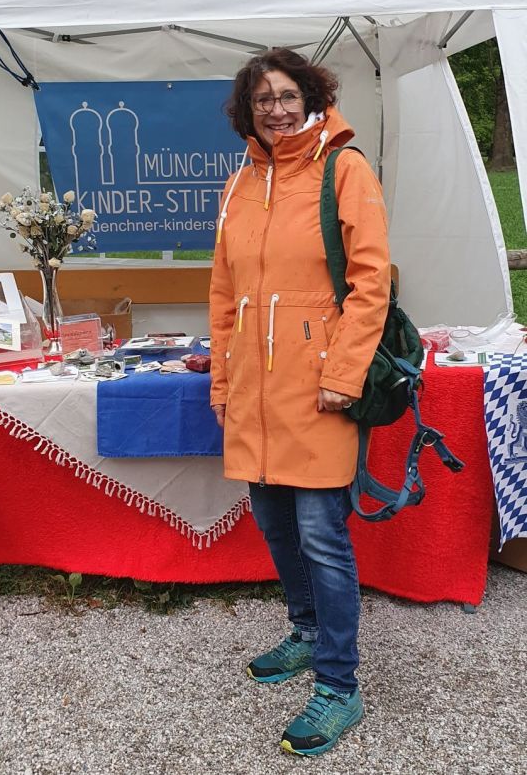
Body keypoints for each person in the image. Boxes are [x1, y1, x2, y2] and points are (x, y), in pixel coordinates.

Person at [209, 48, 391, 757]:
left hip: (318, 388)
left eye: (288, 94)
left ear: (311, 96)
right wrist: (222, 382)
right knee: (275, 523)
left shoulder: (345, 170)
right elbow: (224, 294)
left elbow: (371, 282)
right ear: (246, 111)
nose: (277, 108)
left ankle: (339, 687)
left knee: (321, 534)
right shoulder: (238, 184)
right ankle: (308, 630)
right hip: (254, 389)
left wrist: (344, 376)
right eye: (263, 100)